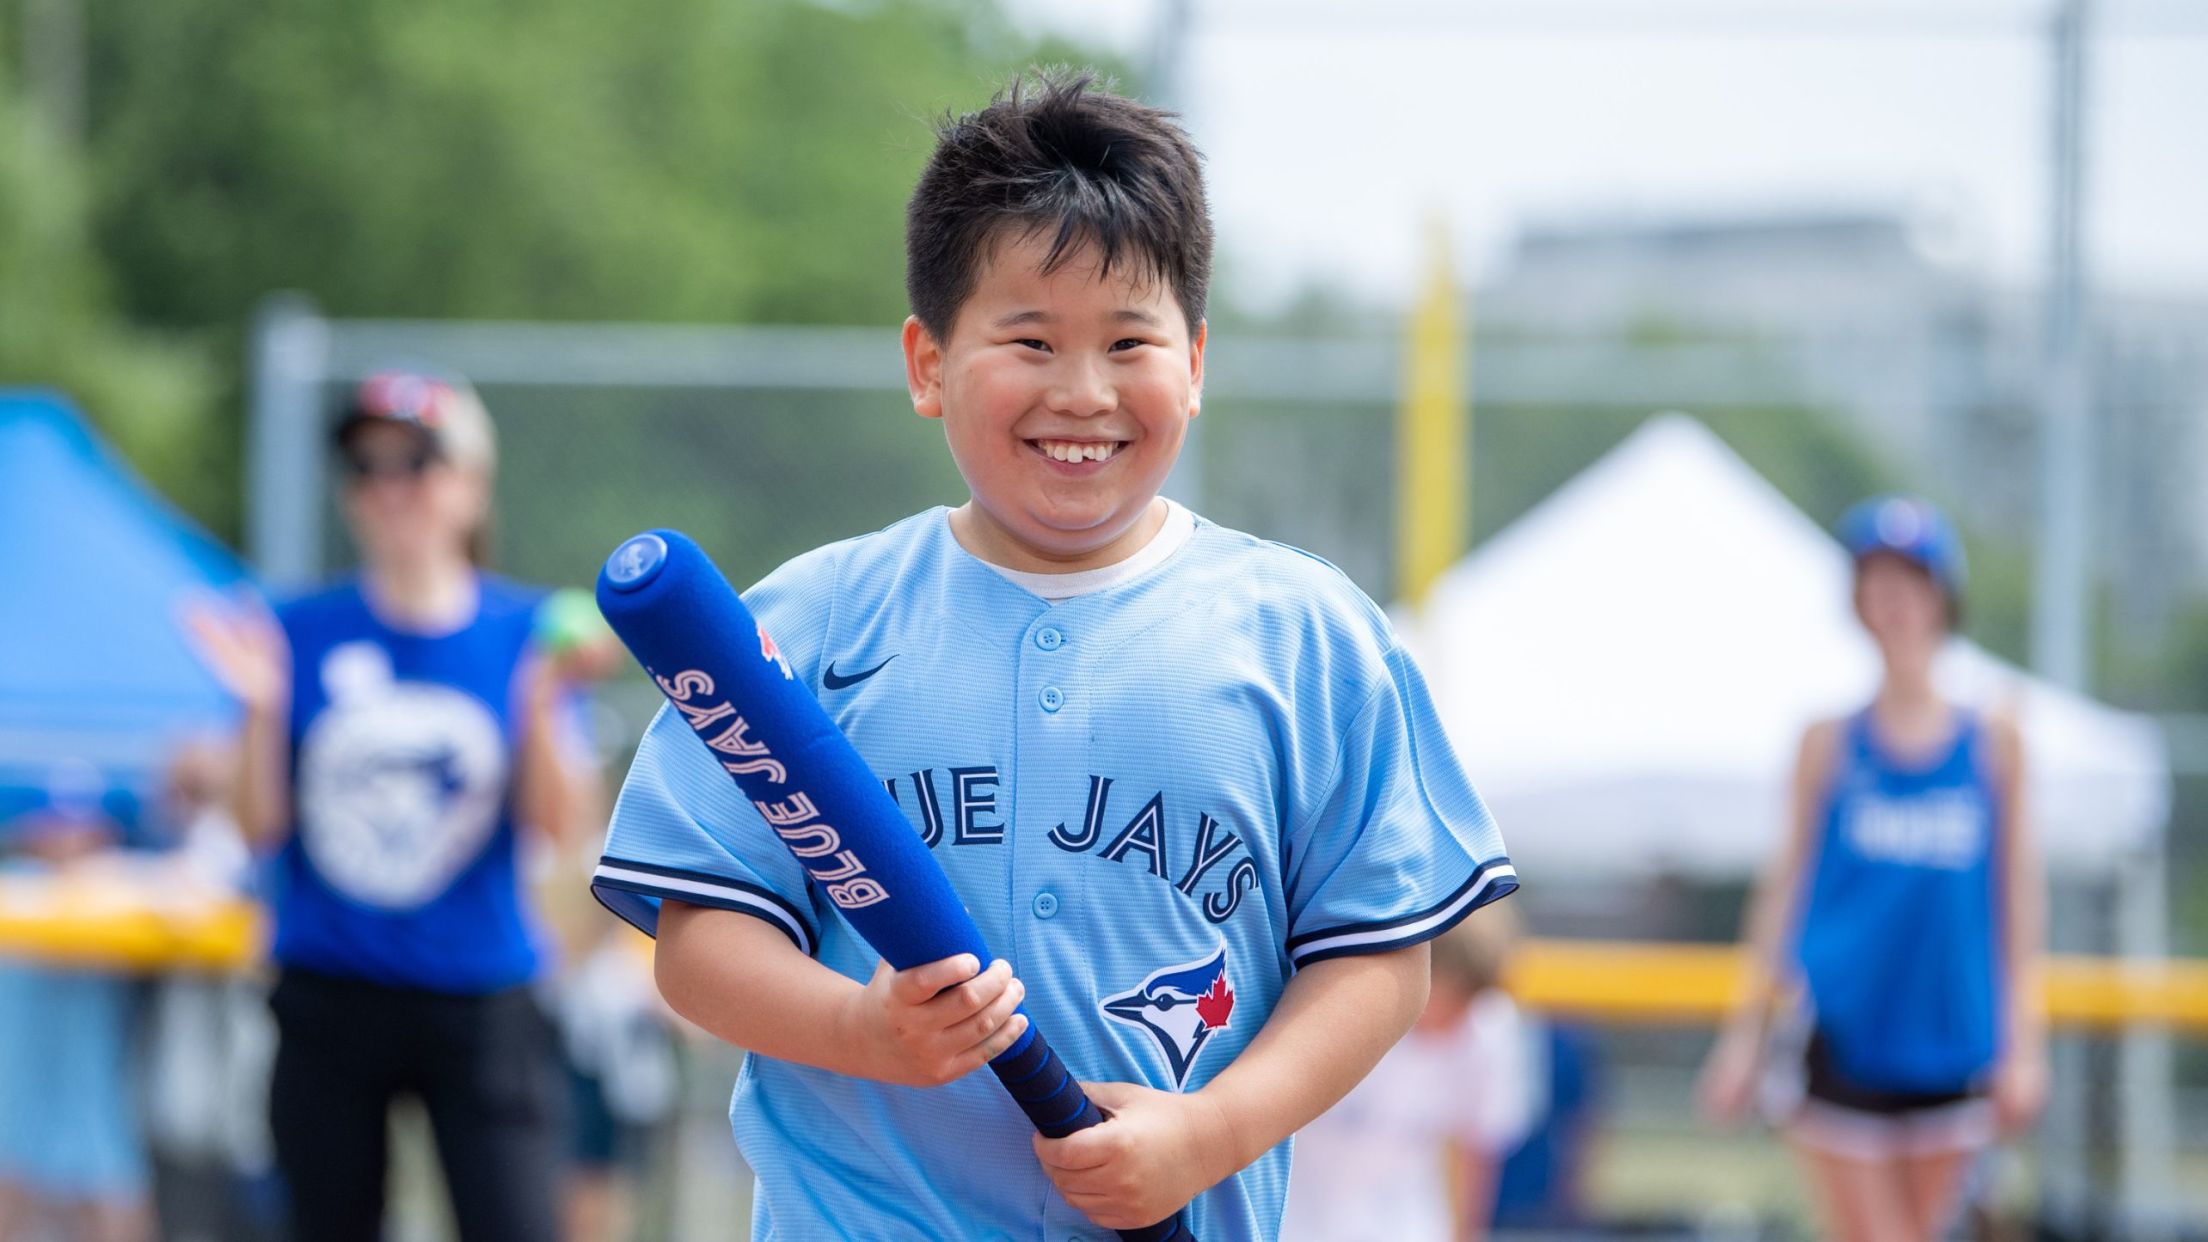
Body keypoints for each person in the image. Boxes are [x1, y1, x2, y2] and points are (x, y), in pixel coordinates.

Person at [589, 70, 1515, 1239]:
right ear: (928, 363)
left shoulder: (1307, 637)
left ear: (1196, 362)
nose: (1082, 392)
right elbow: (699, 942)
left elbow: (1381, 963)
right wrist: (859, 1030)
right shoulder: (813, 623)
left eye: (1130, 340)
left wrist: (1209, 1134)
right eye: (1030, 339)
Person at [186, 372, 601, 1242]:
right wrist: (261, 711)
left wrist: (539, 702)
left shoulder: (528, 633)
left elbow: (559, 828)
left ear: (471, 485)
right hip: (332, 990)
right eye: (366, 467)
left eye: (416, 462)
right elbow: (255, 828)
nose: (390, 487)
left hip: (481, 991)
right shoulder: (294, 629)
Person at [1698, 496, 2047, 1242]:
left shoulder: (1994, 739)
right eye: (1876, 583)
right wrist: (1744, 1037)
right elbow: (1784, 892)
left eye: (1910, 582)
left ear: (1942, 597)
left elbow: (2016, 897)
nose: (1893, 602)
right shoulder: (1828, 742)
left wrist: (2025, 1044)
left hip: (1951, 1029)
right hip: (1843, 1028)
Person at [1280, 903, 1536, 1242]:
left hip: (1405, 1223)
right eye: (1455, 998)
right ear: (1421, 971)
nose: (1461, 1016)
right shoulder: (1340, 1003)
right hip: (1295, 1218)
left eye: (1471, 1002)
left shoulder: (1489, 1027)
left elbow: (1479, 1146)